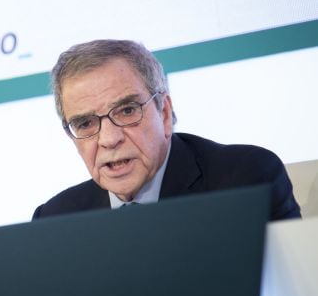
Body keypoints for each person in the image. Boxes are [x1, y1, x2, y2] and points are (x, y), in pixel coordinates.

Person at [33, 39, 300, 221]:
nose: (110, 139)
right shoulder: (56, 218)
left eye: (127, 111)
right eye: (86, 123)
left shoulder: (245, 181)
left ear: (163, 113)